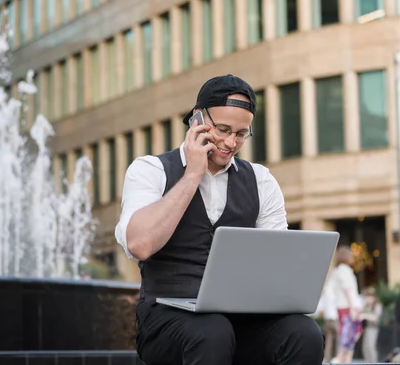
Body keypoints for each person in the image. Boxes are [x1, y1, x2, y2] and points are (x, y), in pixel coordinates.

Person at [115, 74, 324, 365]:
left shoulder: (261, 181)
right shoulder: (150, 170)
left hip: (239, 320)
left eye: (241, 134)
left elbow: (277, 264)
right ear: (197, 120)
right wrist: (192, 175)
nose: (230, 142)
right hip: (166, 320)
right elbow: (140, 244)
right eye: (223, 129)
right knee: (211, 332)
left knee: (304, 333)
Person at [329, 245, 362, 364]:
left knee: (348, 338)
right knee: (349, 339)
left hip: (343, 307)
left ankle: (341, 360)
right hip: (348, 308)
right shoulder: (344, 270)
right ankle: (340, 359)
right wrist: (354, 308)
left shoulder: (337, 271)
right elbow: (347, 290)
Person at [359, 286, 382, 363]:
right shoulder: (366, 306)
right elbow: (359, 313)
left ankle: (374, 362)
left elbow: (375, 318)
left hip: (373, 328)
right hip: (366, 328)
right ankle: (368, 362)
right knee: (365, 347)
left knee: (370, 347)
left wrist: (365, 316)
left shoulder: (377, 306)